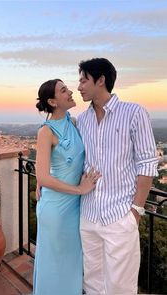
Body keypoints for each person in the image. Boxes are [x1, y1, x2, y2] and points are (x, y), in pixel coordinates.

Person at [76, 58, 158, 295]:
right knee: (91, 281)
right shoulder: (82, 120)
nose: (79, 86)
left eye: (83, 80)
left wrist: (136, 211)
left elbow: (146, 163)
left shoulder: (134, 113)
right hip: (89, 214)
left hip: (120, 215)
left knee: (120, 287)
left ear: (100, 80)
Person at [33, 78, 100, 295]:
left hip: (74, 210)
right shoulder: (46, 132)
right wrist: (80, 189)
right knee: (53, 266)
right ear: (52, 101)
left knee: (71, 265)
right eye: (63, 90)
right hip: (56, 210)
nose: (70, 91)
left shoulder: (73, 122)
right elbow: (43, 176)